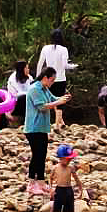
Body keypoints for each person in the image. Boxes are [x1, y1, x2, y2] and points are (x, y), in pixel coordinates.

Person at [24, 67, 70, 195]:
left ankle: (42, 183)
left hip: (42, 128)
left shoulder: (44, 88)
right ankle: (32, 184)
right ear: (45, 78)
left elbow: (52, 98)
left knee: (42, 155)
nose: (53, 83)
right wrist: (58, 102)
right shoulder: (34, 89)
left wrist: (63, 98)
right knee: (37, 155)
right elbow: (42, 107)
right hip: (33, 128)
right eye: (52, 80)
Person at [36, 29, 74, 122]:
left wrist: (38, 77)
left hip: (48, 79)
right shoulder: (64, 49)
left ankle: (60, 122)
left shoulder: (45, 48)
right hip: (60, 79)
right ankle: (58, 124)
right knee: (60, 101)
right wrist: (73, 66)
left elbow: (40, 64)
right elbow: (65, 65)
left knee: (51, 100)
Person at [50, 144, 84, 212]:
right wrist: (51, 189)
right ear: (60, 158)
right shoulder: (55, 168)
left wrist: (81, 190)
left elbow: (77, 180)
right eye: (67, 159)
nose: (69, 161)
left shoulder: (70, 168)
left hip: (68, 191)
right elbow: (50, 178)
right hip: (58, 190)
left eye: (70, 159)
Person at [6, 60, 34, 129]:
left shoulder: (29, 78)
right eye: (27, 68)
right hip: (15, 104)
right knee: (24, 97)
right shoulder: (12, 79)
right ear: (22, 69)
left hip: (27, 100)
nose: (28, 70)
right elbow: (16, 95)